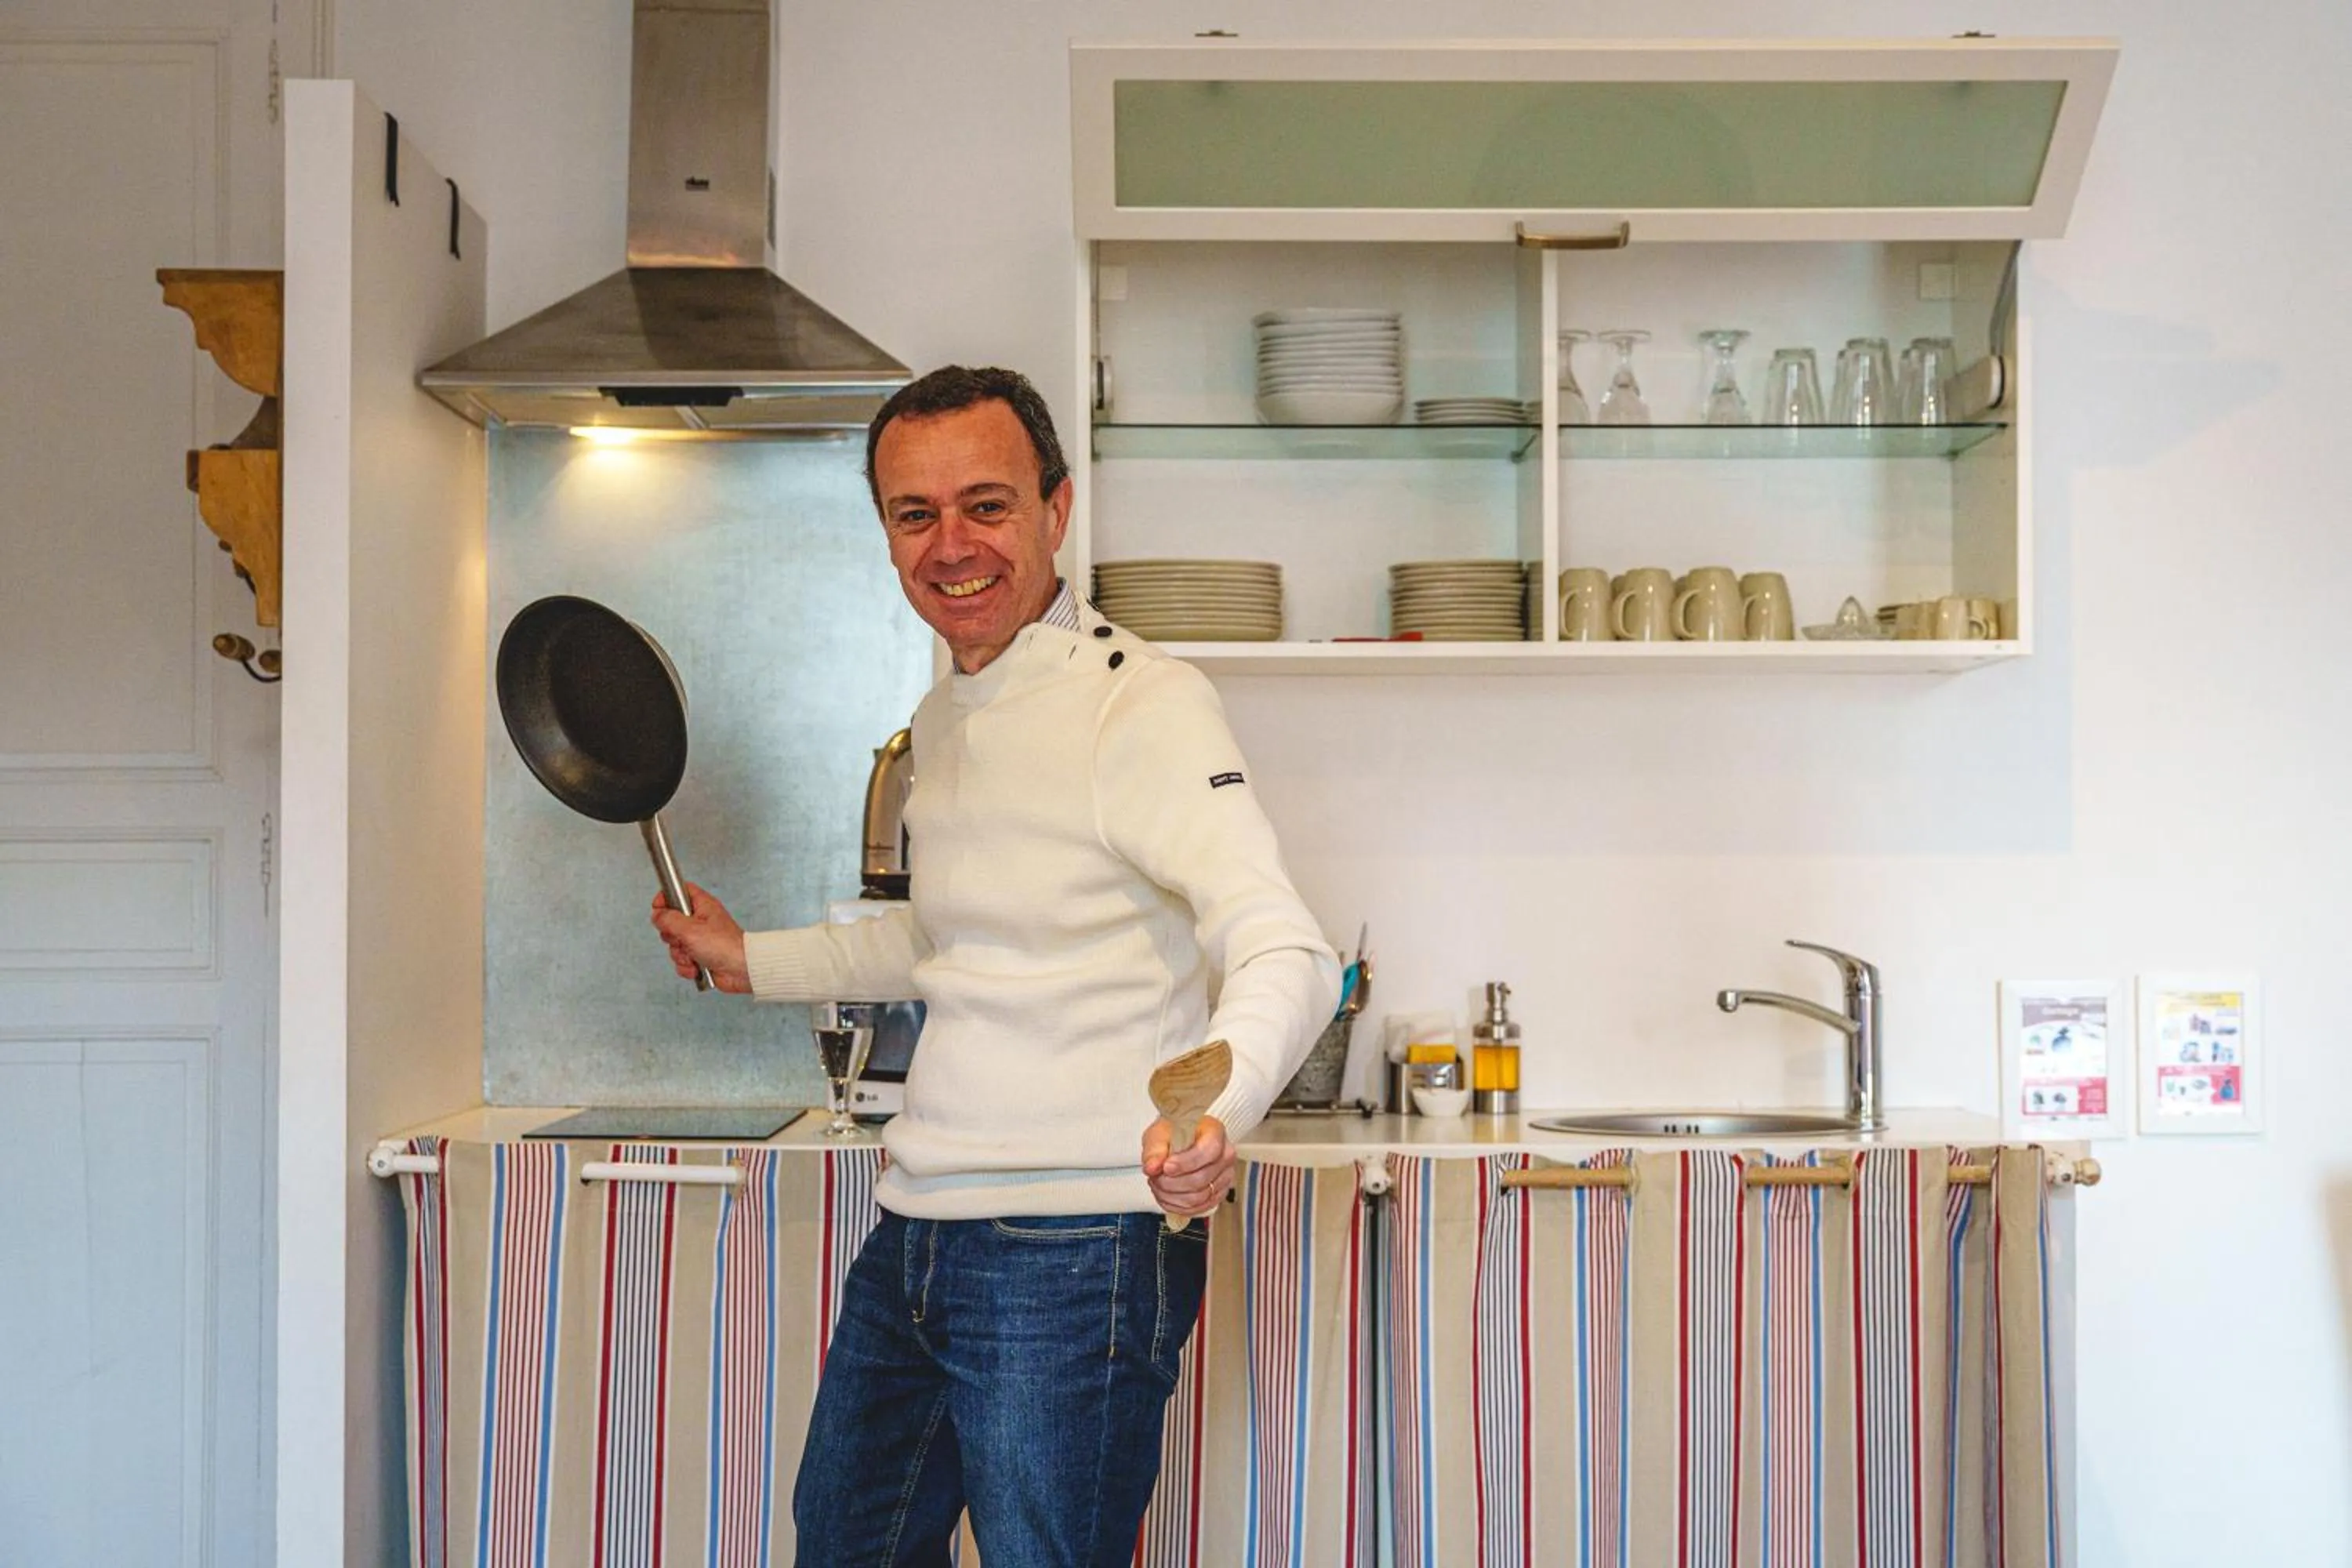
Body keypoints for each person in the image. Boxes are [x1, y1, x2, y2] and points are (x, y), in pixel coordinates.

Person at [650, 365, 1339, 1566]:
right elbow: (944, 937)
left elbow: (1281, 938)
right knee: (846, 1545)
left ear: (1057, 511)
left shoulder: (1146, 705)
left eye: (988, 504)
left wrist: (1218, 1113)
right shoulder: (949, 713)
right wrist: (745, 957)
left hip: (1076, 1246)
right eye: (915, 515)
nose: (952, 544)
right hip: (918, 1227)